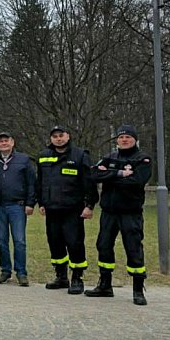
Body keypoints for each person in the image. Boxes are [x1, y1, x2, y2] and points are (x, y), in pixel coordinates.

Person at [87, 125, 152, 306]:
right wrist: (119, 173)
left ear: (135, 139)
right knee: (104, 246)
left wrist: (107, 177)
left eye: (128, 137)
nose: (124, 140)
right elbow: (93, 174)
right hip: (109, 212)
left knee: (133, 249)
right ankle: (105, 286)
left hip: (130, 213)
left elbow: (136, 181)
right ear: (117, 140)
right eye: (121, 137)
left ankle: (138, 289)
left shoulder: (142, 159)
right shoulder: (110, 157)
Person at [36, 126, 99, 294]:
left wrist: (90, 205)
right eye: (55, 136)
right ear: (51, 139)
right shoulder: (43, 156)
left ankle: (77, 277)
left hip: (73, 209)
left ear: (68, 136)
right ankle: (61, 276)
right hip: (52, 209)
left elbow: (89, 182)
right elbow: (41, 182)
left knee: (74, 243)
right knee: (55, 243)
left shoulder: (80, 155)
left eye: (61, 135)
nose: (58, 139)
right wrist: (41, 202)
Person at [0, 132, 36, 286]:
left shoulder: (24, 159)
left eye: (6, 141)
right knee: (1, 240)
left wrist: (30, 203)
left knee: (19, 241)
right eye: (0, 141)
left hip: (18, 206)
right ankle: (5, 271)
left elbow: (31, 183)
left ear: (12, 142)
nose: (4, 143)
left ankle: (21, 273)